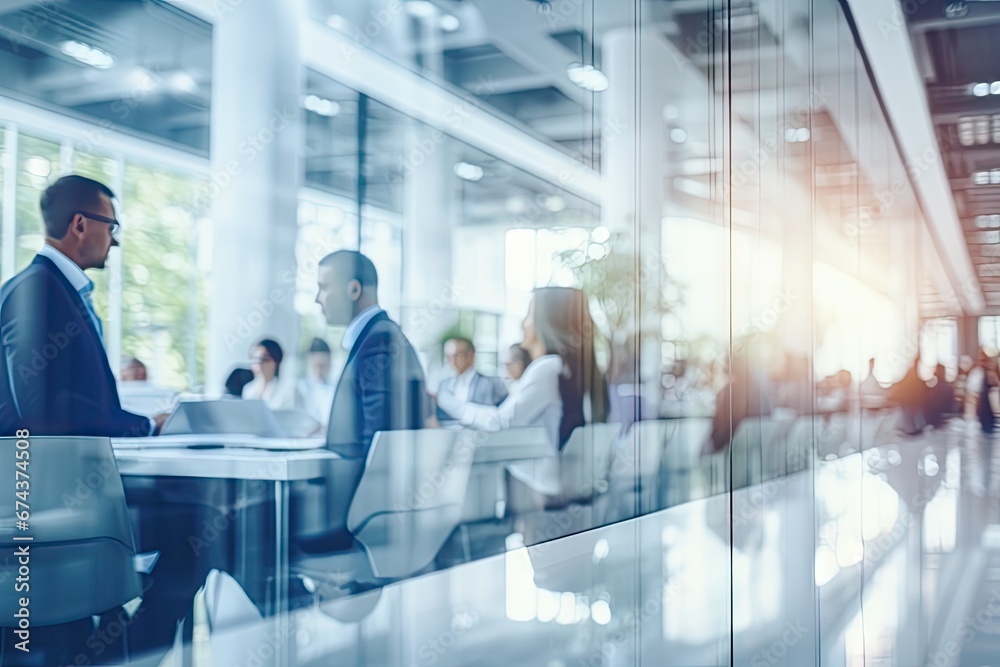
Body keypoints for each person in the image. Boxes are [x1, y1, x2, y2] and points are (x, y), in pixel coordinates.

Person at [0, 175, 165, 436]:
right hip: (38, 473)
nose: (115, 241)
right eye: (111, 228)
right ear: (79, 225)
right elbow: (41, 408)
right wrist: (147, 425)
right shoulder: (38, 289)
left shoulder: (58, 288)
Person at [437, 287, 608, 466]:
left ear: (547, 321)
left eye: (529, 315)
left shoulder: (547, 367)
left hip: (540, 482)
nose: (523, 323)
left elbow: (502, 422)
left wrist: (453, 405)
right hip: (563, 478)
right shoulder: (573, 368)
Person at [316, 250, 427, 458]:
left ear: (354, 290)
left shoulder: (379, 342)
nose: (317, 299)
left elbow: (378, 444)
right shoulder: (377, 336)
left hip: (367, 488)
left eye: (324, 287)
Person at [435, 337, 508, 421]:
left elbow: (504, 414)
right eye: (448, 356)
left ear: (471, 355)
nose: (452, 361)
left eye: (457, 355)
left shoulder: (491, 384)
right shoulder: (443, 385)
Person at [242, 338, 296, 410]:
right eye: (254, 359)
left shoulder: (288, 390)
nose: (258, 364)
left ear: (276, 361)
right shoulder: (248, 390)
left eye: (264, 359)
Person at [296, 337, 336, 428]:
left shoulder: (335, 390)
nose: (320, 371)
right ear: (309, 361)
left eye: (323, 366)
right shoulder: (299, 388)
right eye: (316, 366)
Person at [925, 364, 956, 429]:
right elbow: (953, 407)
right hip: (947, 419)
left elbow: (929, 406)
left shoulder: (933, 388)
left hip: (935, 420)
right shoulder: (948, 388)